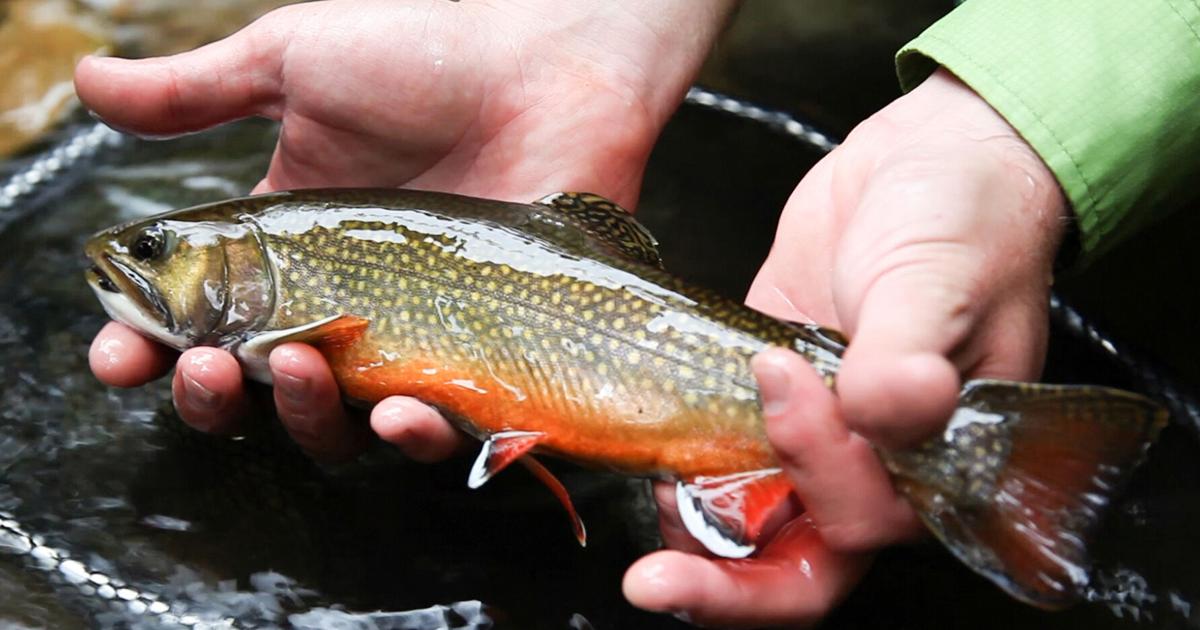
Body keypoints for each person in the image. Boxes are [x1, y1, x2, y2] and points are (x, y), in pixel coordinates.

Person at [77, 0, 1200, 626]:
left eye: (154, 250)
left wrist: (999, 149)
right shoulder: (298, 287)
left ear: (250, 267)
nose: (127, 260)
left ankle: (987, 456)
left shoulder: (297, 296)